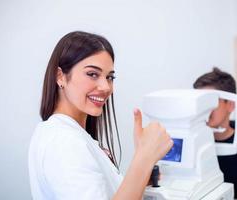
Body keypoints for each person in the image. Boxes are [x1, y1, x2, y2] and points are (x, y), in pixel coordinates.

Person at [28, 31, 173, 200]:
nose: (106, 87)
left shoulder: (67, 135)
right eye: (92, 74)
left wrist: (140, 178)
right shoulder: (65, 142)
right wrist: (144, 158)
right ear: (60, 76)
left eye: (110, 77)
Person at [193, 67, 237, 200]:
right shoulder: (194, 141)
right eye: (201, 101)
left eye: (211, 101)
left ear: (231, 105)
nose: (205, 108)